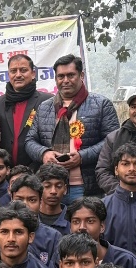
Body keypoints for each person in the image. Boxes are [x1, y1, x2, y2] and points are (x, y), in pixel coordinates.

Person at [25, 55, 118, 203]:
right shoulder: (44, 107)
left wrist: (82, 157)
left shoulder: (101, 104)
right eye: (61, 76)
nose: (66, 80)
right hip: (50, 187)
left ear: (81, 76)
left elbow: (113, 141)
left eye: (71, 75)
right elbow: (30, 141)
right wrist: (44, 154)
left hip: (87, 187)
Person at [0, 54, 52, 170]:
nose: (18, 75)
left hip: (38, 170)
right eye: (13, 71)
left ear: (33, 74)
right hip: (7, 172)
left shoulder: (47, 101)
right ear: (8, 75)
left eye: (23, 70)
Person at [9, 175, 62, 267]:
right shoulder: (2, 233)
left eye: (32, 200)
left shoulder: (53, 237)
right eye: (19, 199)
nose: (25, 205)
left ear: (40, 202)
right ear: (11, 199)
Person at [36, 164, 70, 235]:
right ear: (38, 188)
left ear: (65, 189)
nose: (53, 191)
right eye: (47, 186)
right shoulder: (30, 218)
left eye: (59, 186)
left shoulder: (73, 220)